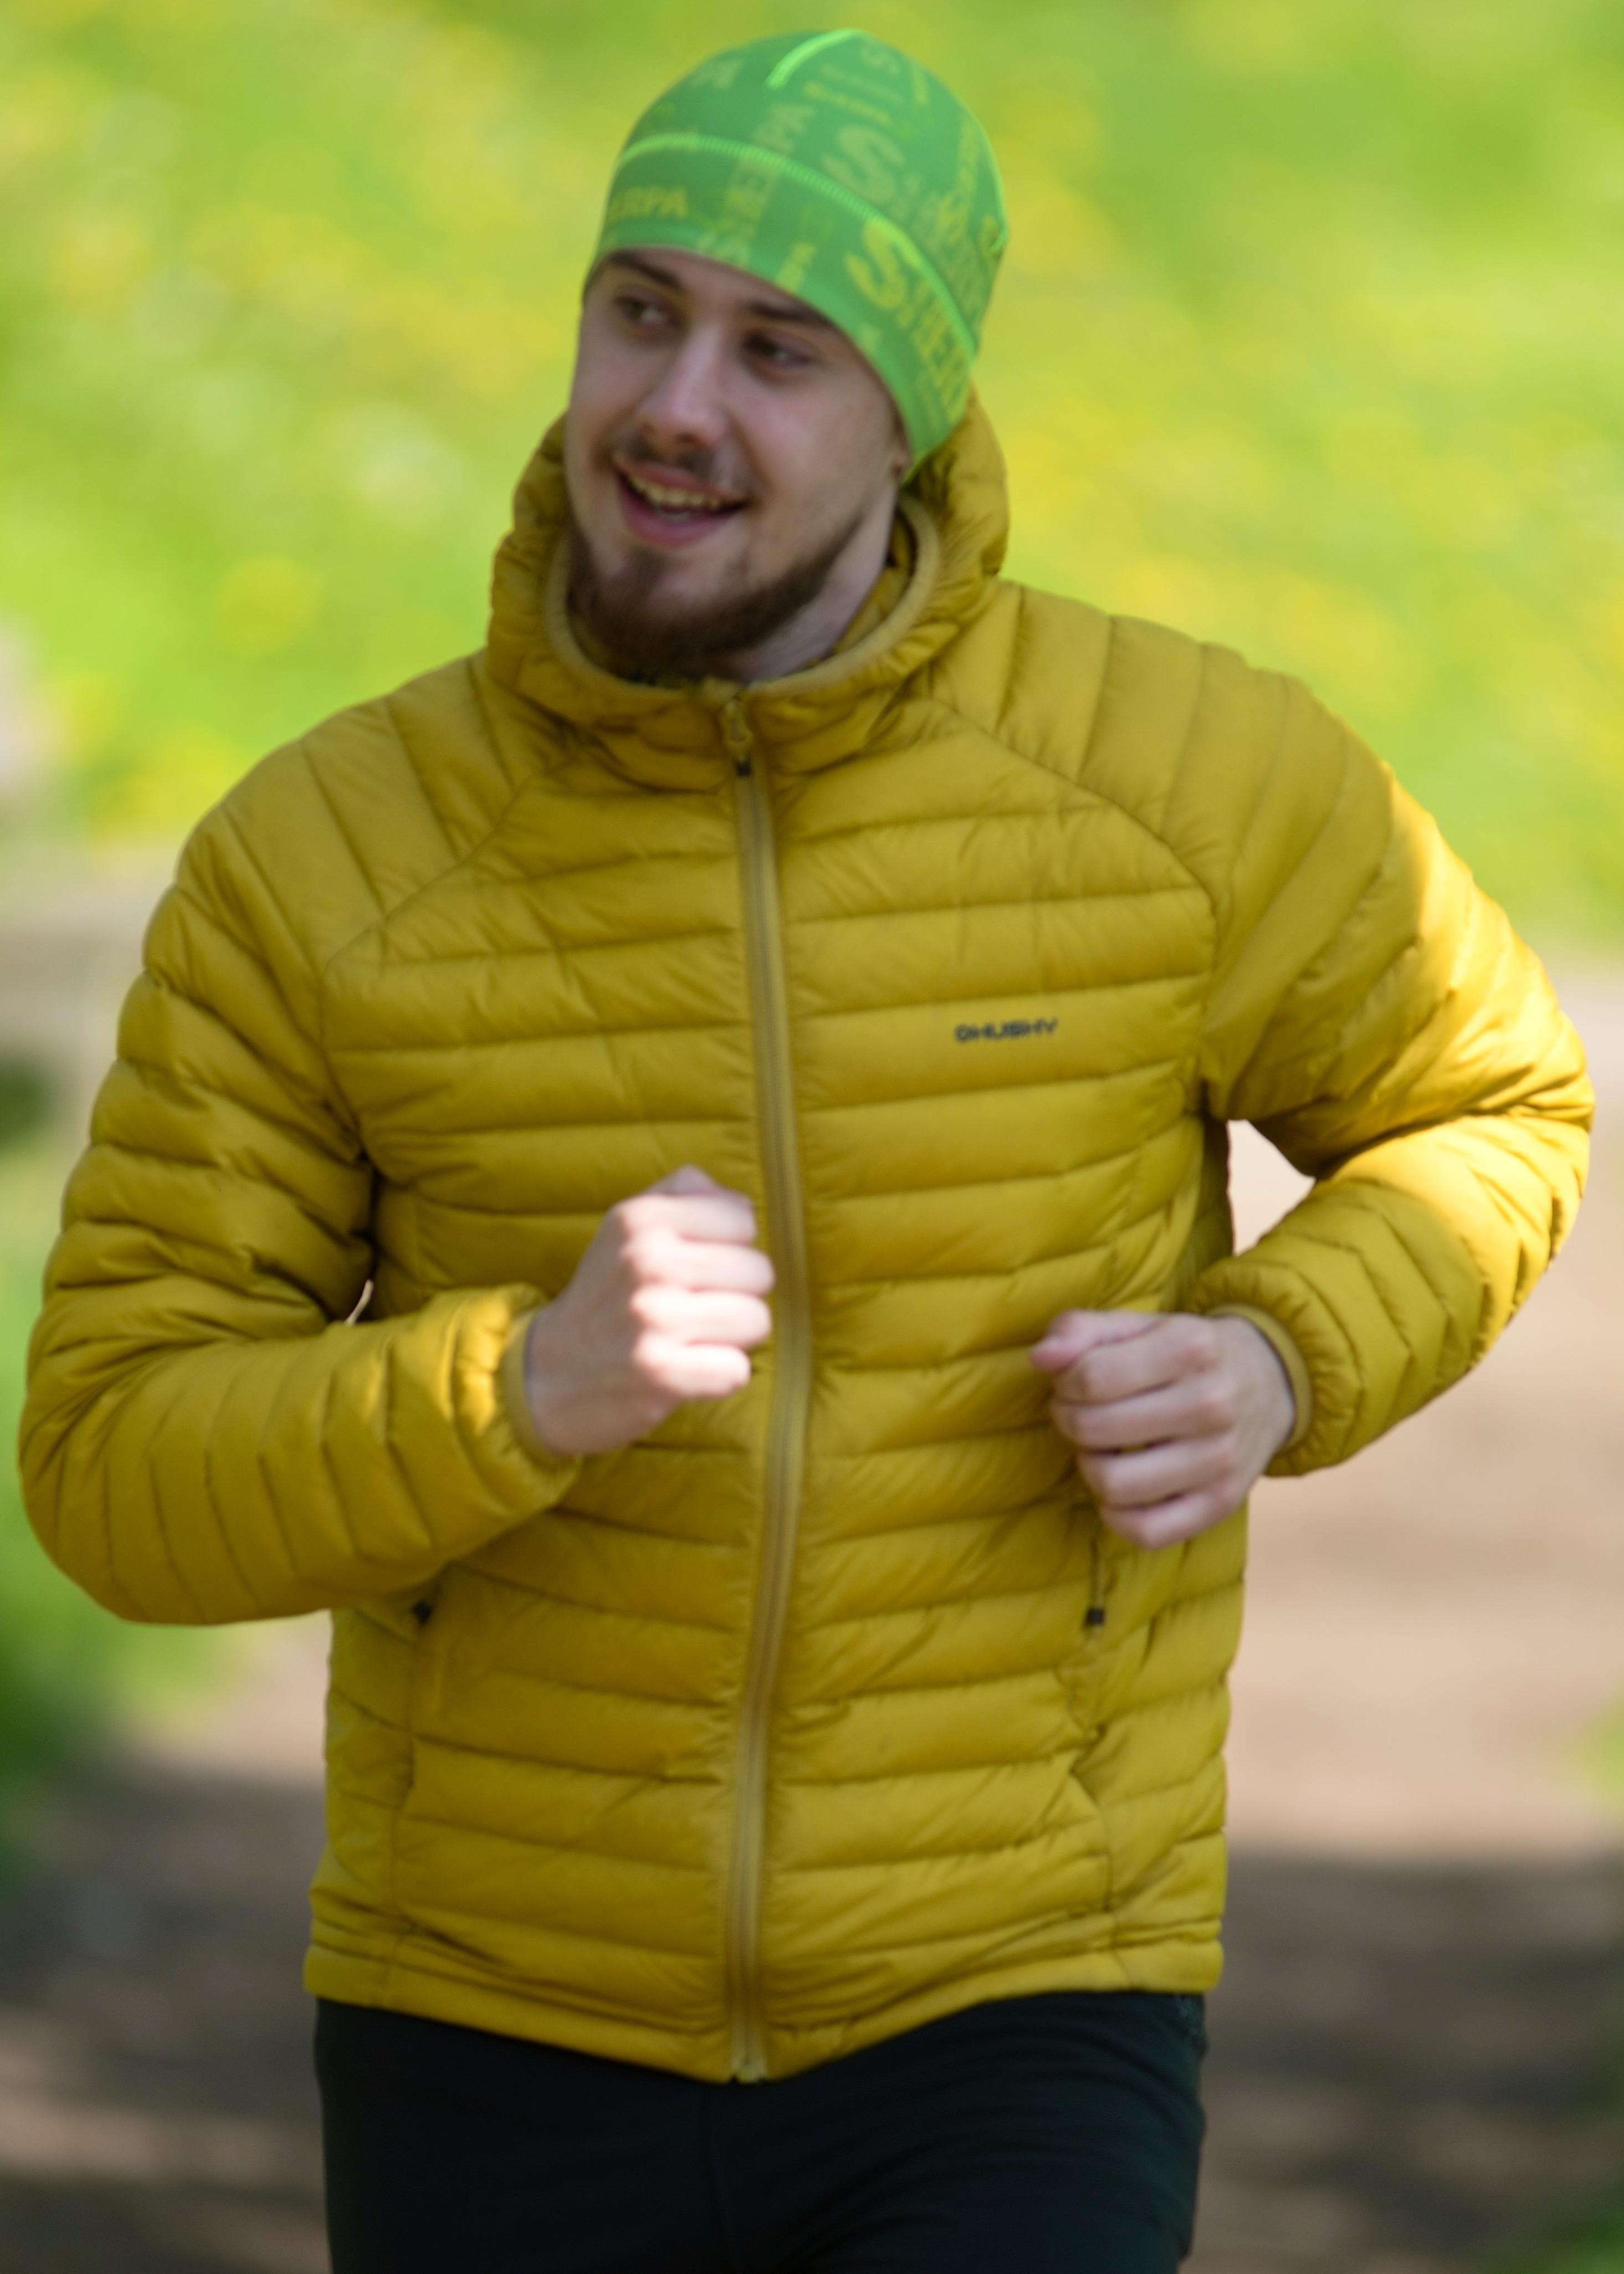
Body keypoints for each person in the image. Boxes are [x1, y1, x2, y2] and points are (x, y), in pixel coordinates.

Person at [18, 28, 1591, 2273]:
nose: (675, 404)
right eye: (638, 310)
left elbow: (1492, 1101)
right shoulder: (326, 858)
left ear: (914, 412)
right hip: (491, 2015)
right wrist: (515, 1386)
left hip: (1021, 1987)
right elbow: (110, 1462)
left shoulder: (1190, 782)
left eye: (780, 348)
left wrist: (1279, 1356)